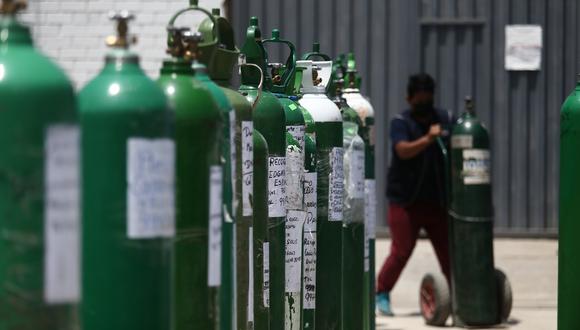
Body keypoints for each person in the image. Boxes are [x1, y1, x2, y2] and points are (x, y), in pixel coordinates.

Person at [376, 73, 453, 316]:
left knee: (448, 250)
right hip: (405, 201)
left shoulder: (445, 120)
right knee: (401, 250)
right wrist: (428, 139)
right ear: (409, 99)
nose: (424, 106)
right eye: (419, 100)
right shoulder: (401, 122)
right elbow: (402, 151)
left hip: (437, 202)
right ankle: (381, 292)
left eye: (427, 100)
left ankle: (459, 294)